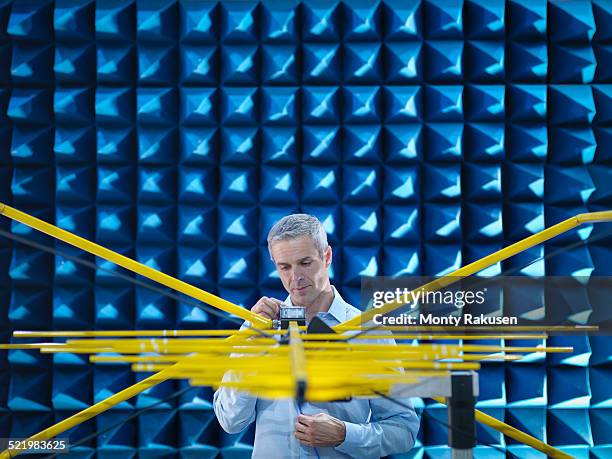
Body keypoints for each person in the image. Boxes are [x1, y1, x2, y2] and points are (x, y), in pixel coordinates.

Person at [213, 214, 420, 458]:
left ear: (327, 256)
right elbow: (230, 421)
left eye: (305, 263)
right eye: (285, 267)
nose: (295, 278)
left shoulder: (368, 334)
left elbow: (404, 430)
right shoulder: (257, 328)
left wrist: (345, 434)